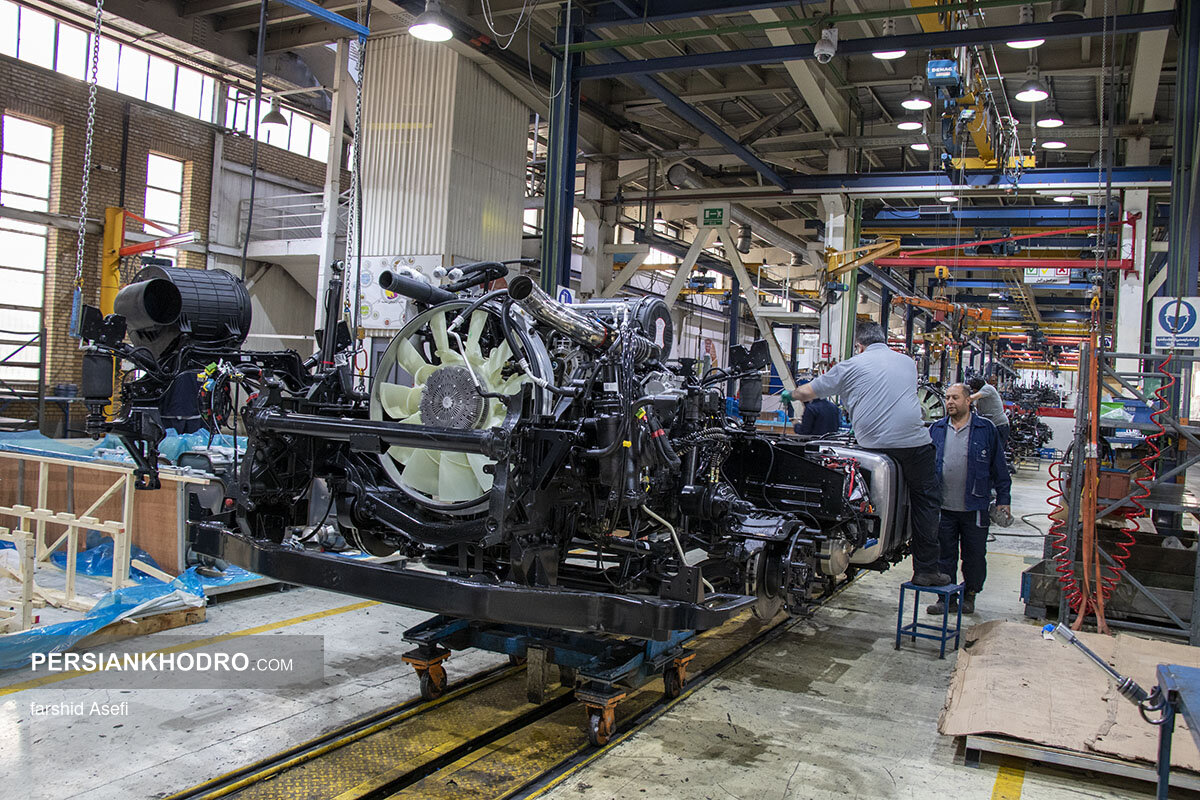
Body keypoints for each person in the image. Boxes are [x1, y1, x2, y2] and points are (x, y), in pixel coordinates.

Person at [794, 322, 948, 587]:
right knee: (927, 502)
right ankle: (926, 570)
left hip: (873, 445)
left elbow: (808, 391)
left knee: (854, 493)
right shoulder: (907, 363)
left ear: (859, 346)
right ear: (883, 340)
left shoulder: (850, 365)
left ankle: (854, 549)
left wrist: (790, 394)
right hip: (914, 444)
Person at [927, 383, 1012, 615]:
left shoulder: (986, 429)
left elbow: (999, 466)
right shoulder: (937, 429)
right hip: (943, 507)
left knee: (974, 556)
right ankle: (946, 598)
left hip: (974, 506)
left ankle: (970, 594)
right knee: (944, 555)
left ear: (968, 401)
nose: (950, 402)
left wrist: (1004, 498)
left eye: (955, 397)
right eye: (947, 398)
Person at [968, 376, 1010, 460]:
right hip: (991, 426)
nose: (973, 391)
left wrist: (958, 399)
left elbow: (972, 398)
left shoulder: (987, 388)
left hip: (999, 426)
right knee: (988, 452)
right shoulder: (982, 392)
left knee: (996, 453)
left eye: (973, 389)